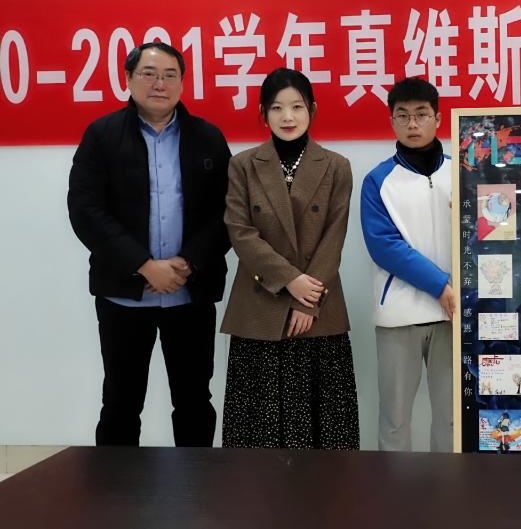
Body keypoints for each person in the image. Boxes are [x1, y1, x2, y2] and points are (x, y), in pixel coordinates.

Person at [68, 41, 231, 446]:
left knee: (194, 401)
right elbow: (85, 210)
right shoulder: (102, 135)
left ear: (182, 83)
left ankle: (196, 484)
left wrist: (187, 262)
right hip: (124, 295)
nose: (160, 84)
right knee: (121, 403)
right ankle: (117, 486)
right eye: (149, 74)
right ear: (128, 78)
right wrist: (144, 265)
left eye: (170, 75)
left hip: (189, 294)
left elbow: (229, 211)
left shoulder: (208, 137)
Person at [220, 68, 359, 449]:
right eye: (277, 108)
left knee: (322, 431)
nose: (287, 117)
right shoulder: (243, 165)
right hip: (260, 307)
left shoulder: (336, 166)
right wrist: (290, 281)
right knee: (258, 433)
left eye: (297, 107)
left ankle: (320, 491)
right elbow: (240, 232)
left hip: (317, 307)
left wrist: (306, 298)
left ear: (312, 110)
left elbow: (334, 236)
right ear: (262, 113)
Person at [360, 77, 455, 452]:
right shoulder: (378, 180)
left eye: (421, 114)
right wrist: (440, 284)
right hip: (399, 316)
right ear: (392, 121)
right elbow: (384, 246)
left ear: (438, 119)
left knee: (452, 417)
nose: (412, 124)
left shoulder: (462, 173)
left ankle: (451, 487)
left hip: (454, 315)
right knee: (395, 419)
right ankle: (394, 489)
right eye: (403, 115)